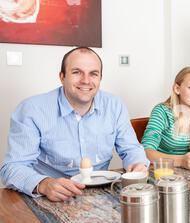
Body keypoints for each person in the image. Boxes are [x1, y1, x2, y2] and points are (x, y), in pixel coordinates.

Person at [0, 47, 149, 202]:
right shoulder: (32, 109)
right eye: (77, 72)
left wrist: (137, 163)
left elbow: (131, 148)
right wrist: (44, 184)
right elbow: (12, 167)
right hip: (48, 198)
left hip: (99, 195)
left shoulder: (114, 105)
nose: (86, 80)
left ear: (100, 78)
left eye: (93, 74)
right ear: (62, 77)